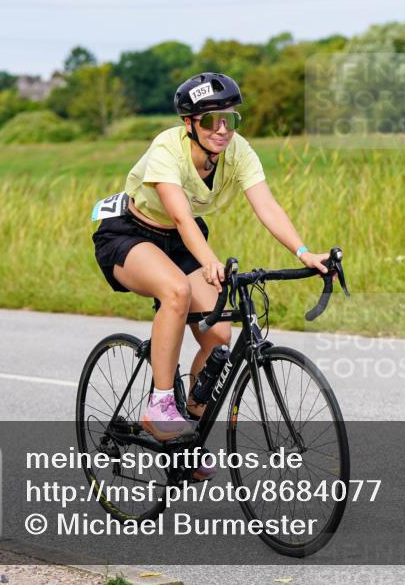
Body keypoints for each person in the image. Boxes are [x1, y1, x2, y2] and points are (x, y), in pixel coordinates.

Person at [92, 72, 330, 479]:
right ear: (190, 124)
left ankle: (188, 428)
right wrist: (211, 262)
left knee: (218, 334)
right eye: (210, 121)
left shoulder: (238, 152)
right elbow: (181, 216)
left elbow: (266, 206)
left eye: (230, 120)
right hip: (130, 234)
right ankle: (160, 404)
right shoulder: (167, 147)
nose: (222, 129)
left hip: (183, 241)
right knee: (175, 291)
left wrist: (304, 252)